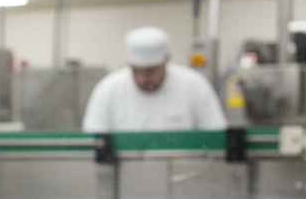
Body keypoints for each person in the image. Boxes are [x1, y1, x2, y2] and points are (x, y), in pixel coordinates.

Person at [82, 27, 227, 133]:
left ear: (166, 60)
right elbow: (94, 138)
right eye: (136, 71)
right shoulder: (109, 89)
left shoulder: (194, 86)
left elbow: (216, 135)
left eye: (150, 71)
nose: (143, 79)